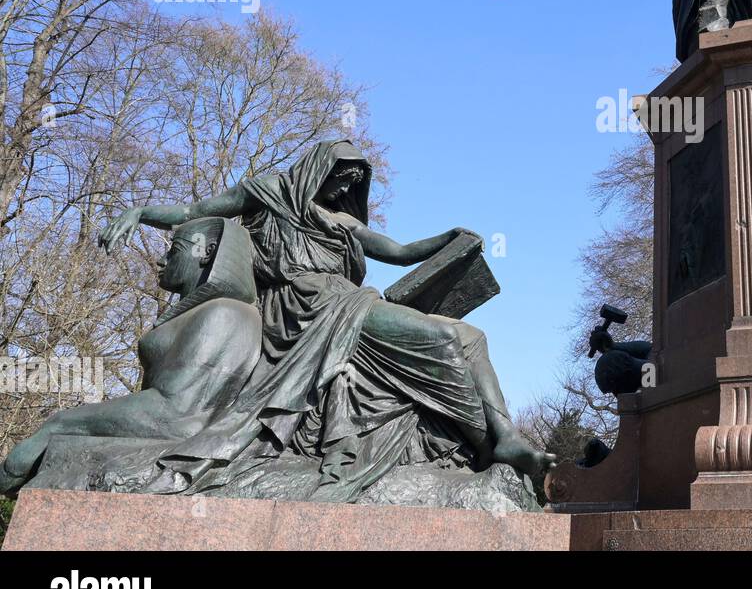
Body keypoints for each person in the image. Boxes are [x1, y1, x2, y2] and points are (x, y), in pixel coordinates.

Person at [98, 140, 554, 501]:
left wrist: (447, 238)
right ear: (319, 168)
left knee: (471, 335)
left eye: (352, 184)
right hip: (305, 312)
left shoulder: (340, 220)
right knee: (441, 336)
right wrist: (139, 213)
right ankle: (489, 445)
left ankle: (506, 438)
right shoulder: (265, 192)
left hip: (346, 303)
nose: (343, 190)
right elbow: (193, 213)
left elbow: (395, 251)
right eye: (339, 179)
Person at [1, 217, 262, 494]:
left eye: (173, 251)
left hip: (184, 432)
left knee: (58, 430)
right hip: (167, 427)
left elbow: (177, 413)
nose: (161, 261)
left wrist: (59, 424)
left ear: (206, 252)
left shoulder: (223, 313)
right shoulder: (208, 311)